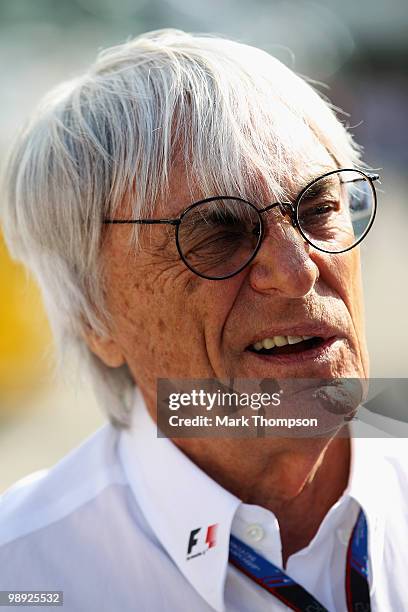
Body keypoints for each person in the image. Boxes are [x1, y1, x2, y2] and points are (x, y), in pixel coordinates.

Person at [0, 29, 406, 612]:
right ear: (94, 315)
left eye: (319, 208)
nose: (297, 272)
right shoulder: (26, 575)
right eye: (217, 232)